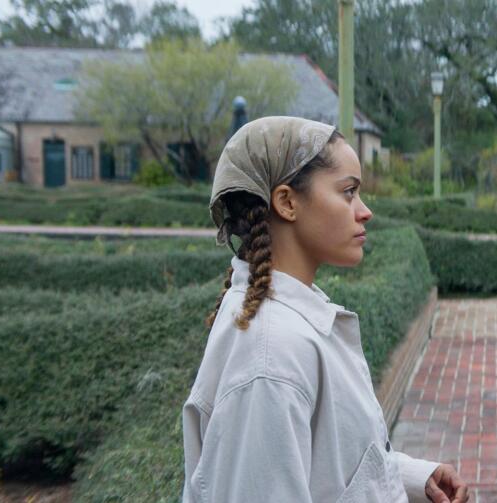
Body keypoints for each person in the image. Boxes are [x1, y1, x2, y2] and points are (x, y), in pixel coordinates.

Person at [181, 116, 469, 503]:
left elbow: (328, 462)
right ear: (286, 202)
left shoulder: (285, 322)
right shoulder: (271, 354)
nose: (364, 211)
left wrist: (412, 478)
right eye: (348, 192)